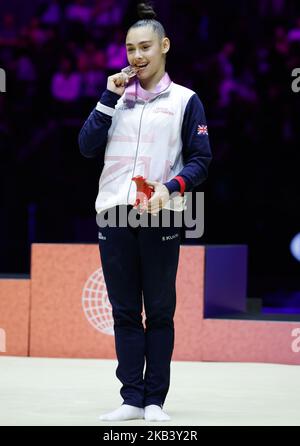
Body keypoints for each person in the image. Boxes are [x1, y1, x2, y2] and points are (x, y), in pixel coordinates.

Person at [78, 2, 212, 422]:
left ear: (164, 46)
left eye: (145, 48)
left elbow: (201, 160)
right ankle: (131, 398)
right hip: (114, 215)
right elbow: (85, 146)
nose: (137, 57)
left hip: (163, 215)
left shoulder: (187, 100)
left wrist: (171, 188)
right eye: (130, 49)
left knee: (158, 311)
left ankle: (155, 400)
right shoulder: (114, 100)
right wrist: (106, 98)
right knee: (123, 311)